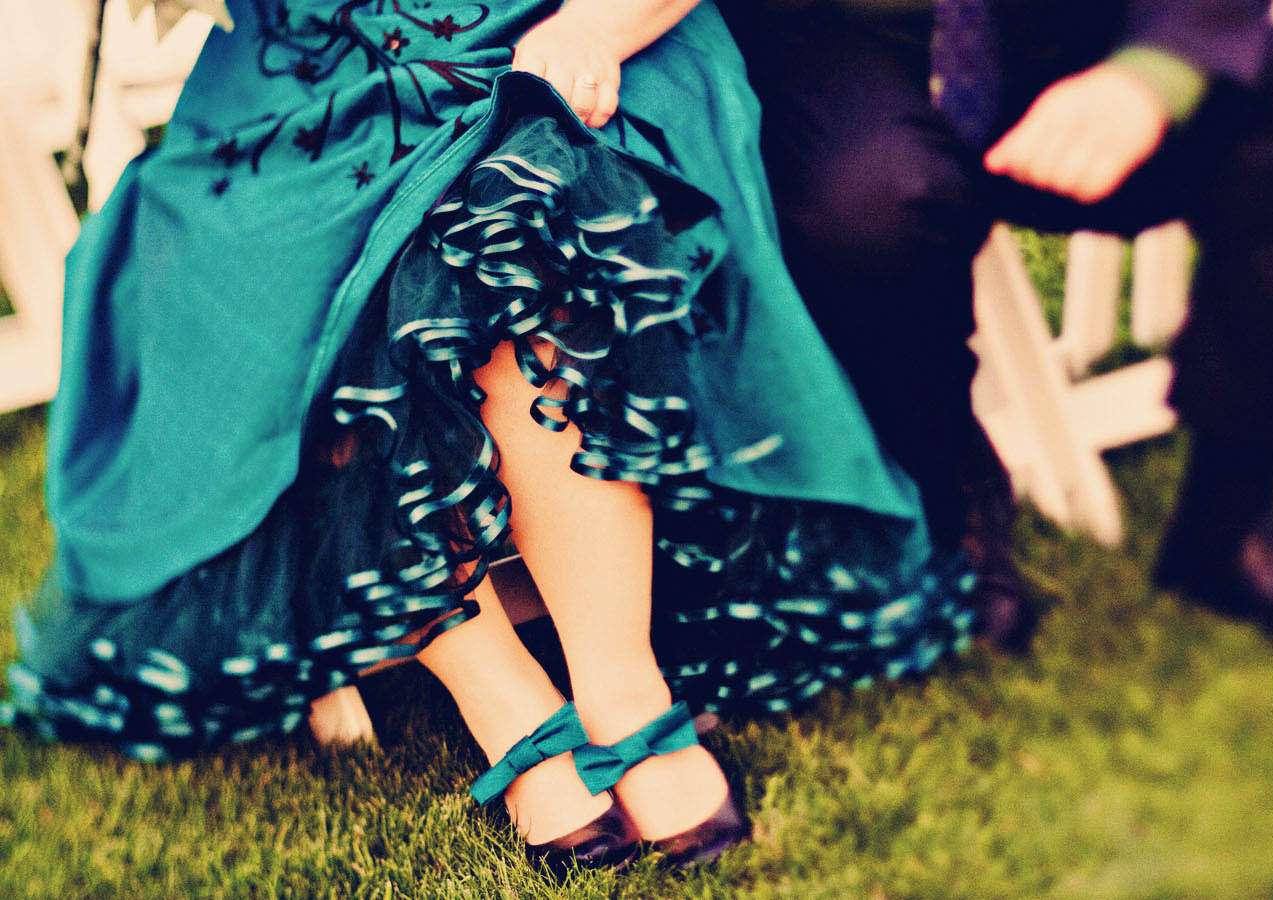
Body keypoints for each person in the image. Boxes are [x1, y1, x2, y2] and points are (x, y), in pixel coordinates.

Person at [2, 0, 977, 873]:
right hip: (294, 75)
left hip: (553, 29)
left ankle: (621, 686)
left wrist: (597, 24)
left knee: (510, 218)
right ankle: (500, 696)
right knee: (270, 293)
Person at [722, 0, 1273, 651]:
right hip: (847, 43)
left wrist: (1153, 72)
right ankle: (953, 512)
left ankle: (1231, 520)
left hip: (1051, 28)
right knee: (867, 210)